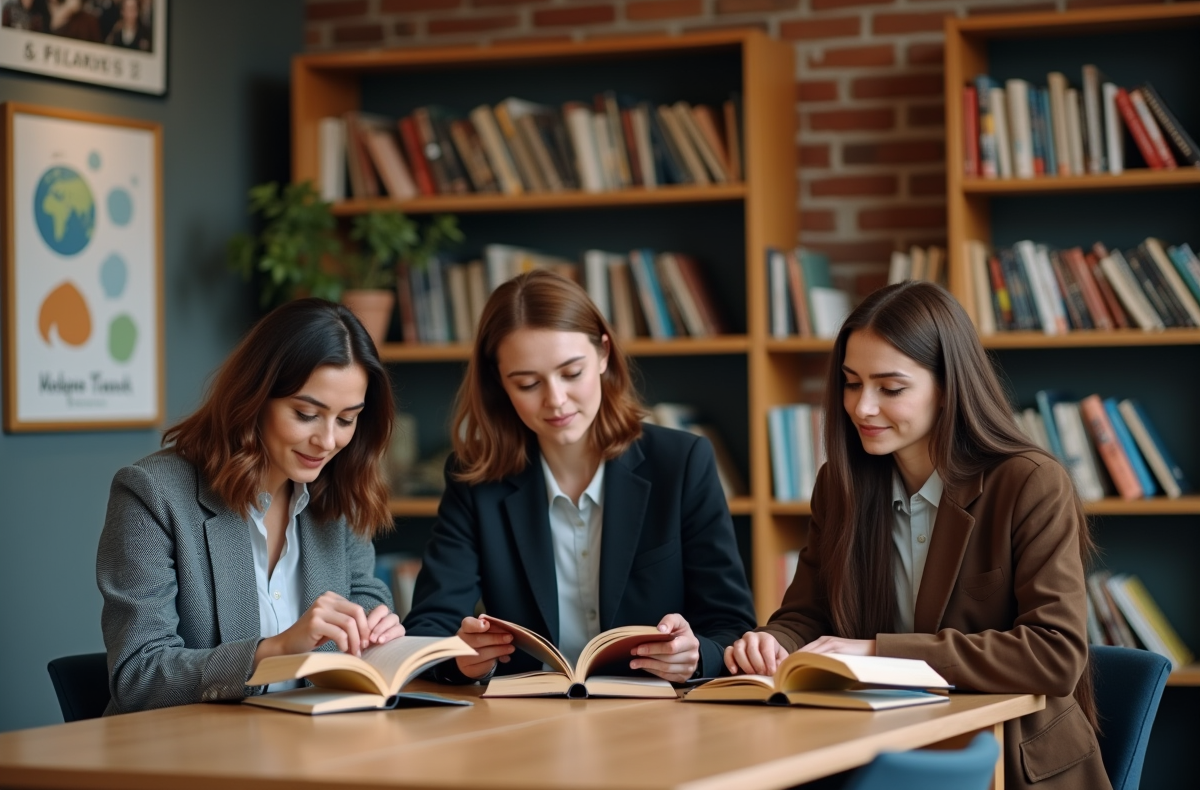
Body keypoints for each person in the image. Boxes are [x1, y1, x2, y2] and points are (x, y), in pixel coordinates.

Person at [724, 281, 1109, 789]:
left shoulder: (1029, 483)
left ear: (948, 387)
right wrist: (772, 643)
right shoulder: (840, 487)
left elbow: (1054, 654)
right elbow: (807, 614)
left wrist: (879, 651)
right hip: (879, 746)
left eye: (891, 388)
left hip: (1008, 761)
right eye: (851, 382)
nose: (862, 408)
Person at [403, 269, 756, 684]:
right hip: (525, 720)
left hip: (659, 716)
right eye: (528, 383)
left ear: (603, 354)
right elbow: (428, 628)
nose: (555, 400)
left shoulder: (681, 462)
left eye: (572, 373)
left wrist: (695, 656)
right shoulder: (474, 479)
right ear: (499, 382)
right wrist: (460, 658)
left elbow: (732, 624)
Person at [97, 298, 404, 714]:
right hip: (189, 758)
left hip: (316, 748)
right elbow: (139, 675)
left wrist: (373, 628)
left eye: (347, 419)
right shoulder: (152, 494)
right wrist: (273, 652)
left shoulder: (338, 491)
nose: (328, 441)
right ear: (255, 398)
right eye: (306, 413)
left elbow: (364, 592)